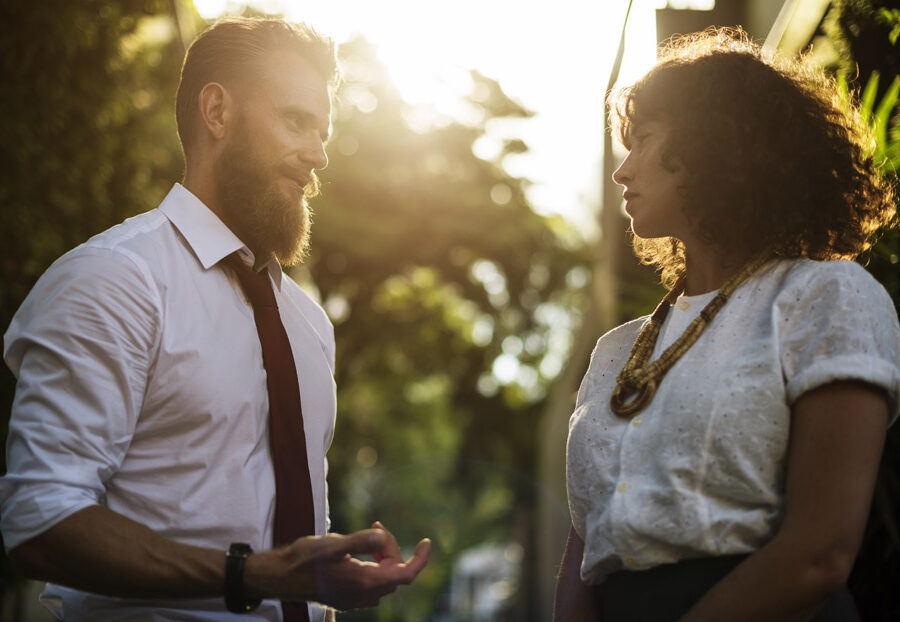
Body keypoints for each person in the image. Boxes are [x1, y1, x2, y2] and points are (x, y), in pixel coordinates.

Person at [0, 16, 429, 622]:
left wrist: (325, 591)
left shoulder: (308, 325)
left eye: (323, 130)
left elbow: (294, 542)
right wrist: (251, 575)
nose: (319, 155)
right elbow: (40, 520)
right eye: (296, 121)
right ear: (217, 112)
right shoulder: (114, 279)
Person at [554, 28, 900, 621]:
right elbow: (587, 548)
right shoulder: (615, 349)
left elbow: (822, 553)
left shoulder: (826, 296)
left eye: (643, 141)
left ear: (716, 145)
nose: (622, 171)